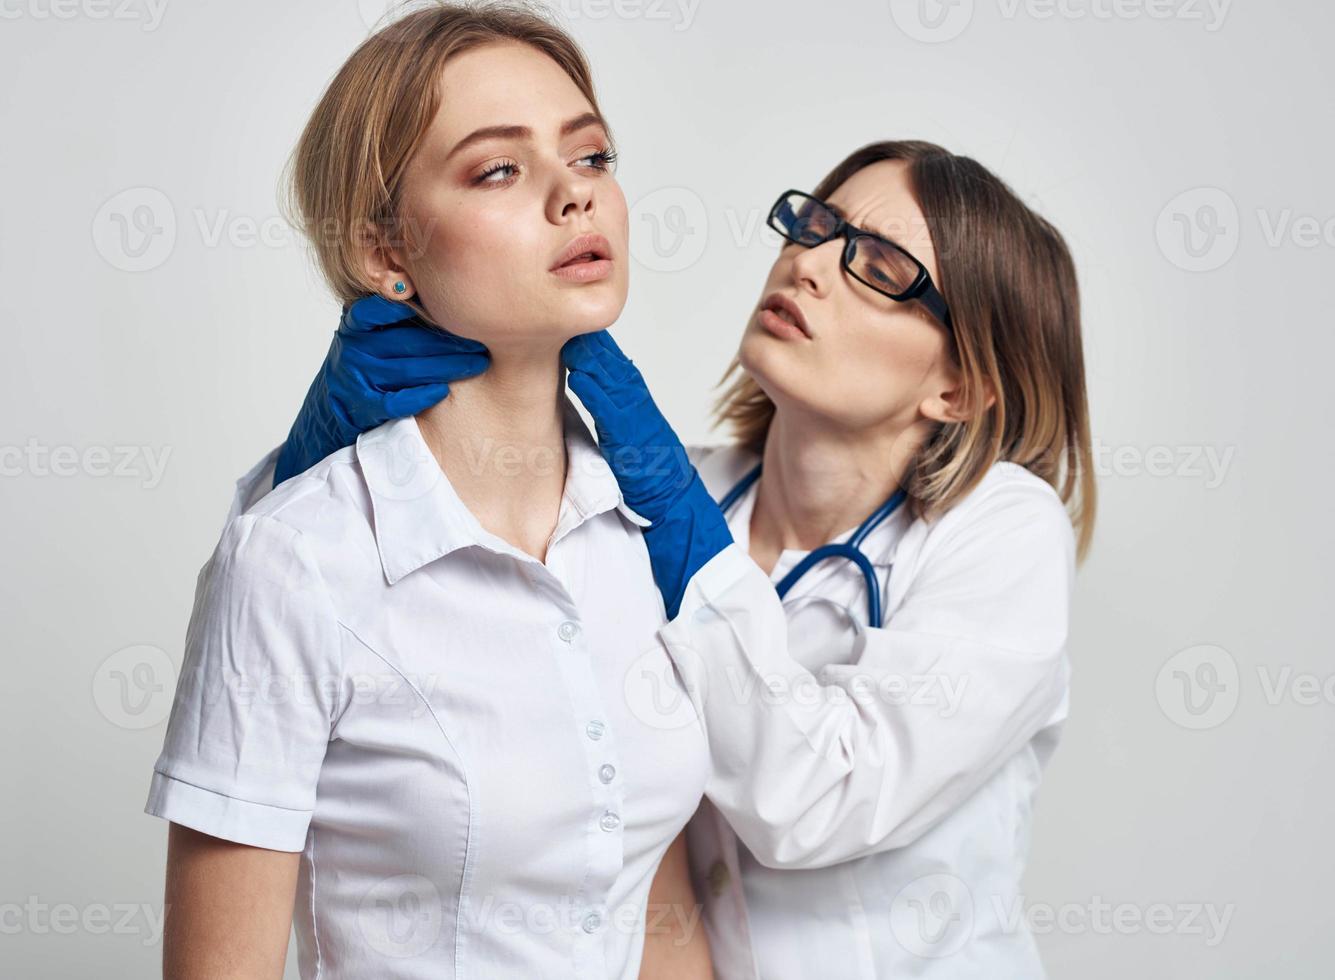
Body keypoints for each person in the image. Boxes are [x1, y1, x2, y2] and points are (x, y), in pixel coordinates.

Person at [271, 137, 1097, 978]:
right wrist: (307, 467)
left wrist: (688, 544)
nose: (808, 266)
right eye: (816, 225)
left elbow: (817, 803)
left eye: (879, 268)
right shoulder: (678, 493)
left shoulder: (1001, 531)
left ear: (956, 388)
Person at [141, 5, 716, 978]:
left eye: (591, 157)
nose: (572, 196)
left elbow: (651, 894)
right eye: (498, 168)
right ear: (384, 253)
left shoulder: (647, 528)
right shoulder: (292, 560)